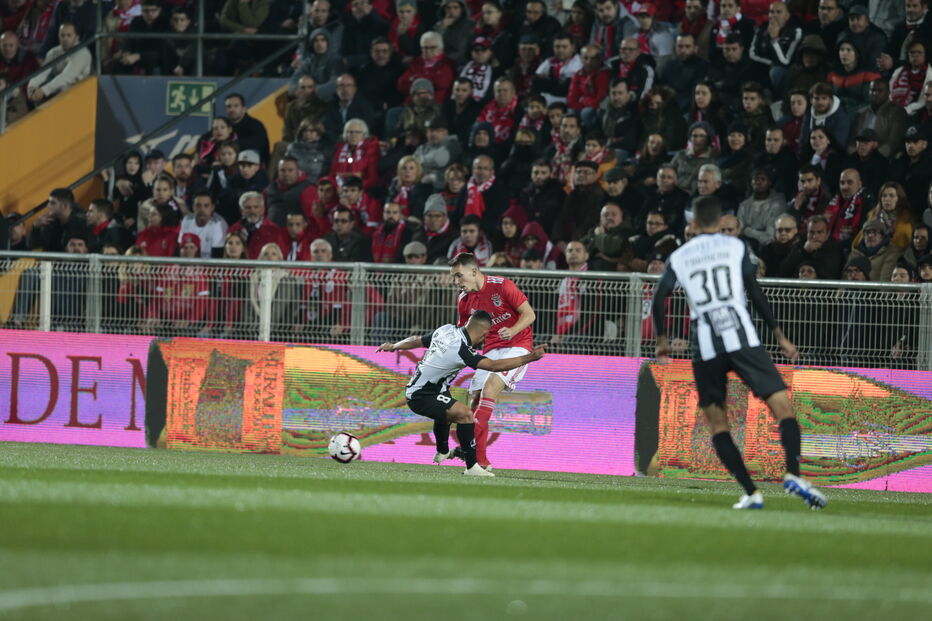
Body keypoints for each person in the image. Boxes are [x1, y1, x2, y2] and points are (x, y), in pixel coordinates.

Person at [651, 195, 826, 511]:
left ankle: (751, 492)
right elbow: (754, 291)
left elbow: (659, 296)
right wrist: (779, 335)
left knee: (718, 424)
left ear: (692, 223)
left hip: (705, 346)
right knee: (782, 406)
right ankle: (794, 474)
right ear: (720, 222)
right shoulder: (736, 247)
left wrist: (662, 339)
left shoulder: (679, 256)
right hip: (742, 338)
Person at [376, 310, 546, 476]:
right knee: (465, 414)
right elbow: (494, 366)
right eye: (486, 336)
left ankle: (442, 452)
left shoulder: (446, 330)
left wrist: (394, 346)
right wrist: (529, 358)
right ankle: (472, 467)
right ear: (483, 333)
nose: (485, 339)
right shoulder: (461, 350)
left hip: (428, 390)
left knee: (449, 410)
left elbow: (418, 340)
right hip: (422, 396)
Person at [450, 252, 537, 471]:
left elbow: (529, 314)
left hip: (517, 346)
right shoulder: (464, 299)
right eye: (454, 278)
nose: (457, 282)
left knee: (490, 388)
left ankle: (467, 450)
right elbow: (464, 333)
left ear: (473, 271)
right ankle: (481, 462)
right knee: (476, 401)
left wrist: (513, 329)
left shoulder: (502, 285)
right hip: (490, 350)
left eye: (459, 276)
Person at [26, 22, 90, 105]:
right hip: (59, 92)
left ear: (77, 37)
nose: (65, 38)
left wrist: (44, 91)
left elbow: (67, 77)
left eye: (69, 35)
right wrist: (32, 87)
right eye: (62, 35)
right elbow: (43, 72)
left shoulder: (82, 53)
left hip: (81, 96)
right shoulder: (53, 52)